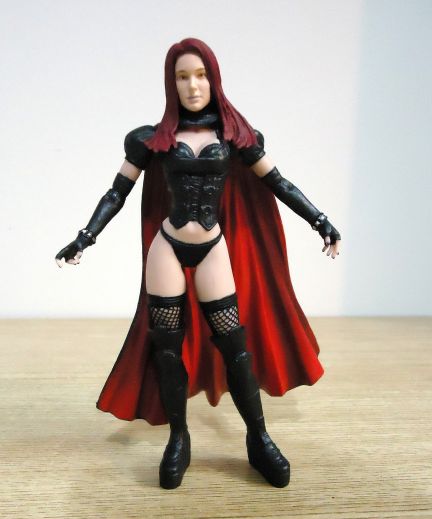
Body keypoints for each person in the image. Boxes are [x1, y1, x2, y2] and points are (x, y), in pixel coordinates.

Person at [55, 38, 341, 490]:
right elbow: (117, 192)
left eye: (201, 75)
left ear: (214, 79)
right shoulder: (151, 140)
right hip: (167, 246)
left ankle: (258, 437)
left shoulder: (235, 137)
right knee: (167, 348)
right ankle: (179, 438)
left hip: (212, 246)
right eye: (182, 76)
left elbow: (278, 183)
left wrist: (320, 221)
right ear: (171, 83)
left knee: (235, 345)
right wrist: (85, 237)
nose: (192, 85)